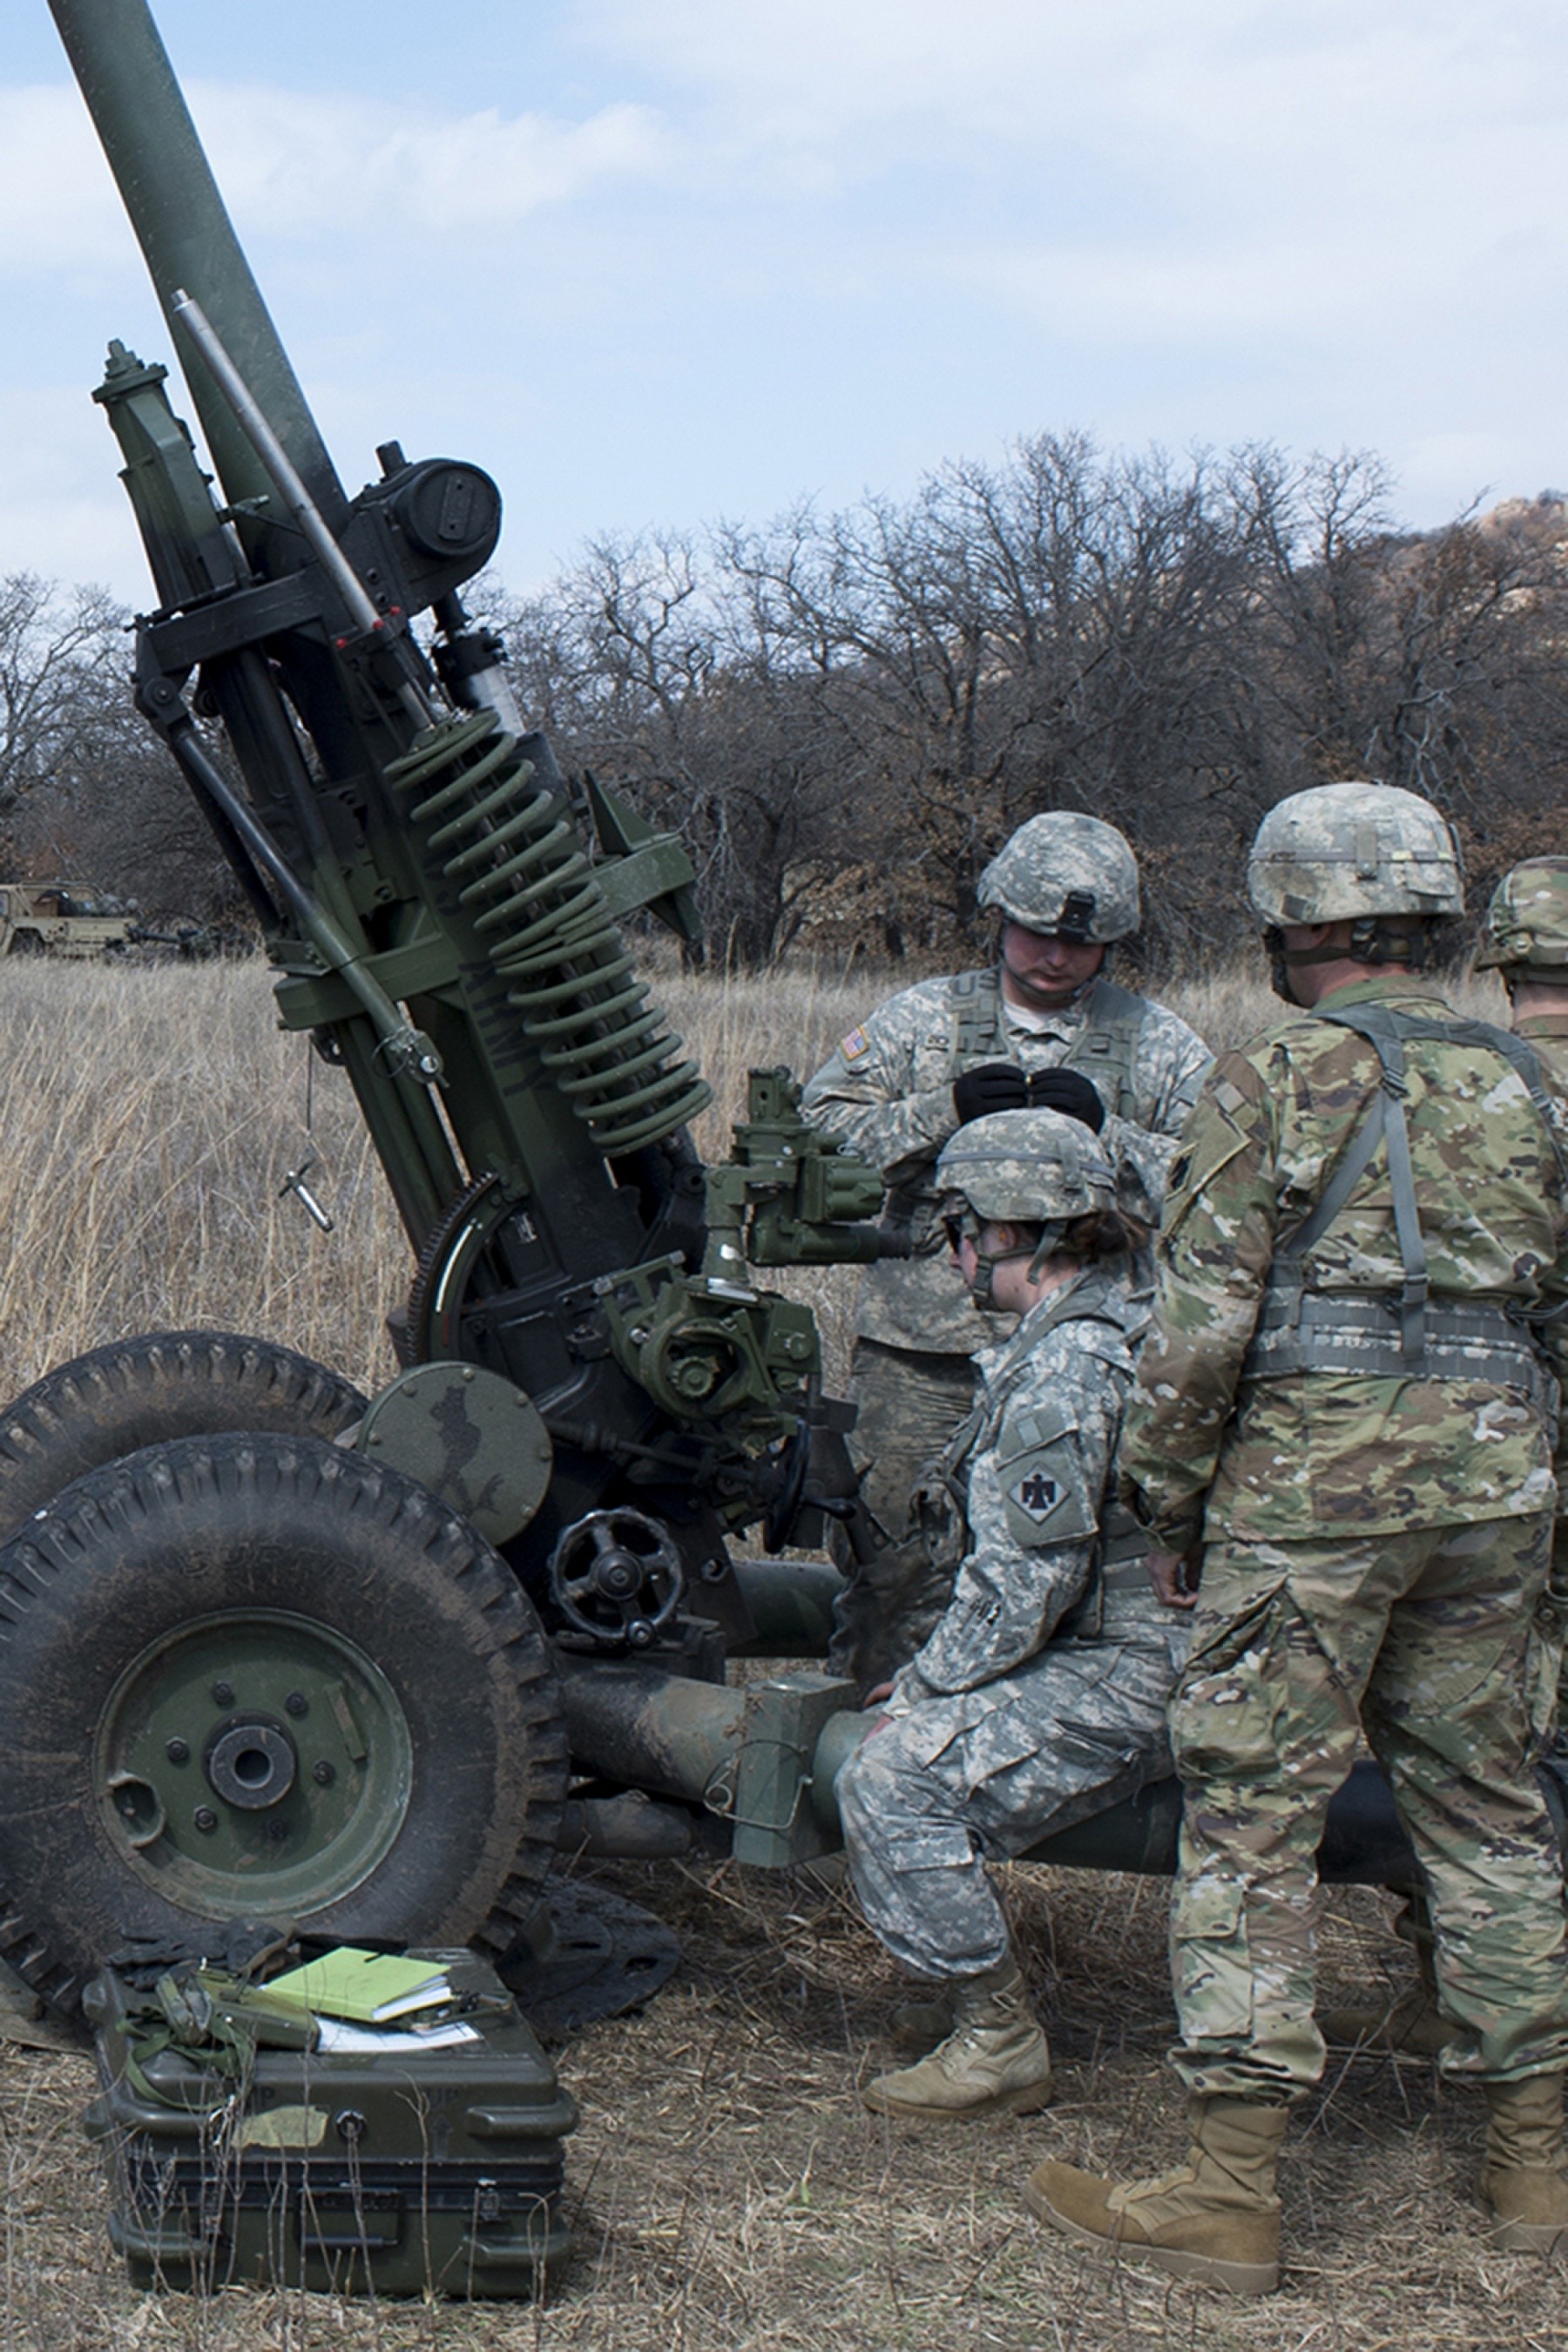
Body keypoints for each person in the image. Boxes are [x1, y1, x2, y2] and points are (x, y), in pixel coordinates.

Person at [1028, 782, 1568, 2295]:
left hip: (1312, 1499)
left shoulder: (1277, 1074)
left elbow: (1197, 1337)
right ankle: (1531, 2164)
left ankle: (1230, 2190)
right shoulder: (1529, 1084)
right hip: (1495, 1486)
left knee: (1251, 1820)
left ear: (1302, 916)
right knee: (1487, 1811)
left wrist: (1171, 1505)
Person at [801, 811, 1211, 1690]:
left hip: (1089, 1357)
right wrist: (940, 1112)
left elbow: (1219, 1183)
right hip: (923, 1353)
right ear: (998, 915)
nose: (1056, 956)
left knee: (1070, 1563)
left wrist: (1113, 1135)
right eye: (1036, 933)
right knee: (894, 1564)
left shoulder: (1158, 1044)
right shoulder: (923, 1020)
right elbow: (817, 1136)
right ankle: (856, 1765)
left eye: (1081, 943)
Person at [837, 1105, 1188, 2124]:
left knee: (892, 1778)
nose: (952, 1258)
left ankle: (996, 2036)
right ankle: (948, 1984)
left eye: (962, 1228)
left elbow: (1028, 1584)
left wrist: (928, 1685)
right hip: (1134, 1646)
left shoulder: (1066, 1369)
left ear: (1015, 1230)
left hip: (1133, 1665)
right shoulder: (1122, 1319)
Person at [1321, 854, 1568, 2060]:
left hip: (1467, 1468)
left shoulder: (1466, 1082)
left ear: (1506, 961)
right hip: (1524, 1461)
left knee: (1475, 1753)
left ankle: (1453, 1994)